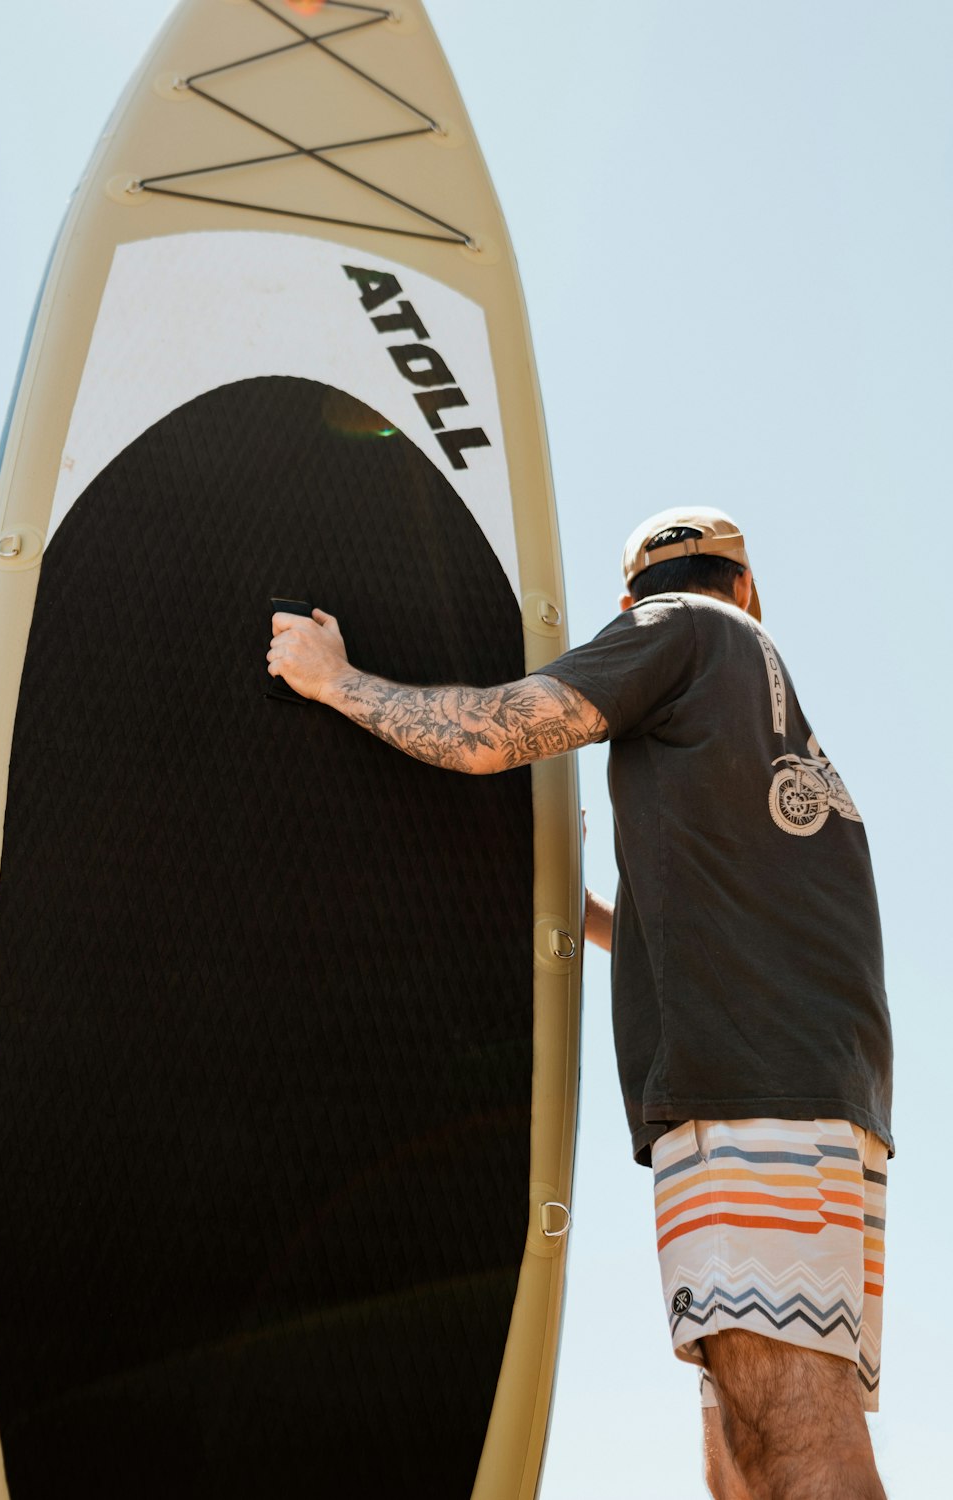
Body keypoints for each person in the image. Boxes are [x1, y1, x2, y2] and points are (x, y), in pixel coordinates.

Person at [266, 506, 893, 1500]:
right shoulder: (767, 725)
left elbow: (493, 734)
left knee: (782, 1429)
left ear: (626, 603)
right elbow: (696, 924)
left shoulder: (677, 628)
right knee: (748, 1428)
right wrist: (576, 911)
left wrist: (334, 681)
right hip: (820, 1105)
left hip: (745, 1095)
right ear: (747, 582)